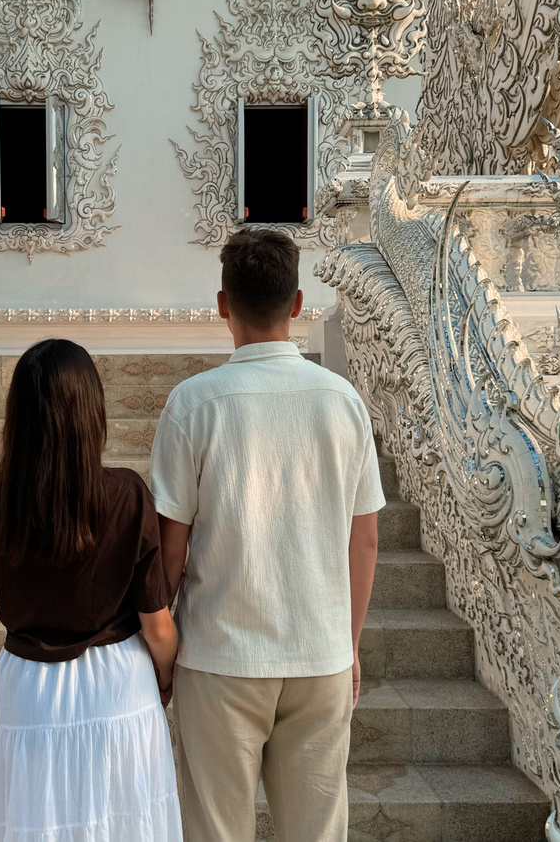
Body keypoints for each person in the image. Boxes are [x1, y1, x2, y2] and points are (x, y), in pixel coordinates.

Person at [151, 228, 386, 842]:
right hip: (320, 653)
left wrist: (165, 646)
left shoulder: (194, 404)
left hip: (220, 654)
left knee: (214, 832)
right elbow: (365, 541)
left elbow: (169, 551)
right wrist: (350, 642)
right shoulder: (343, 402)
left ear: (223, 303)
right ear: (299, 304)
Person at [0, 338, 182, 842]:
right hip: (116, 684)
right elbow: (157, 624)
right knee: (125, 824)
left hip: (28, 687)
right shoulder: (127, 494)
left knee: (34, 821)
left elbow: (0, 589)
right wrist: (167, 675)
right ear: (93, 412)